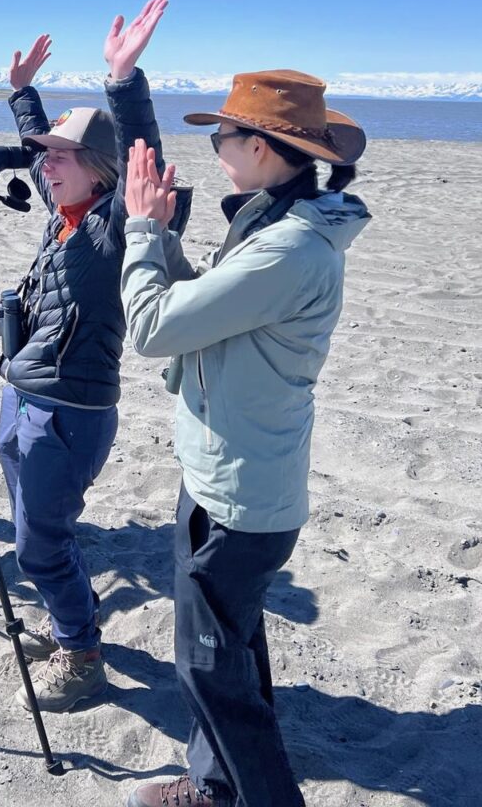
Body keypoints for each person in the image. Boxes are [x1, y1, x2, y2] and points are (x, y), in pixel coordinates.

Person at [118, 71, 372, 807]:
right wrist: (162, 235)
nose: (216, 150)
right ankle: (216, 787)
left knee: (212, 671)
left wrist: (140, 230)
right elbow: (199, 308)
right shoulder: (270, 223)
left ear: (259, 147)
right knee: (230, 654)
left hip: (241, 496)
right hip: (224, 473)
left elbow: (154, 329)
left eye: (221, 137)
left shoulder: (287, 248)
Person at [0, 0, 189, 712]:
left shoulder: (114, 224)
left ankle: (81, 655)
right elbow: (36, 150)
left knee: (38, 543)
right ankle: (68, 623)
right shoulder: (64, 215)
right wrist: (23, 96)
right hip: (22, 393)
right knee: (32, 534)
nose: (47, 167)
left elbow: (147, 157)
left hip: (70, 412)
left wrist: (124, 80)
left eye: (63, 158)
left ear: (103, 171)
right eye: (46, 157)